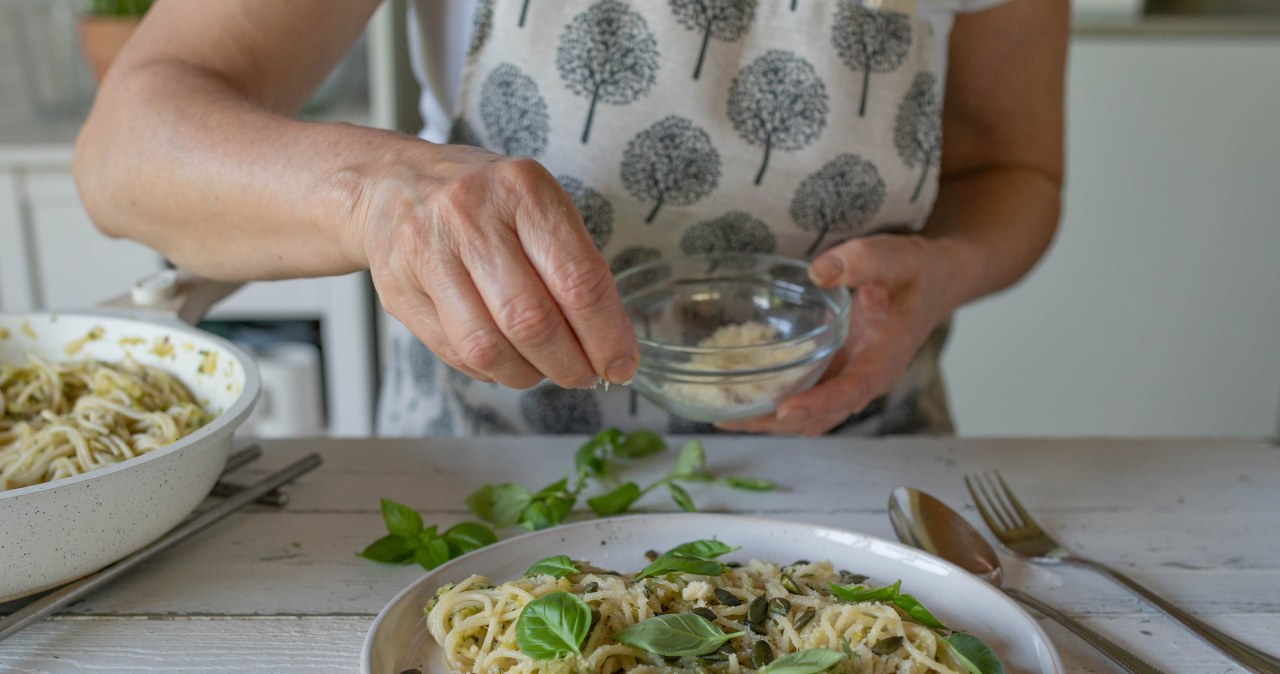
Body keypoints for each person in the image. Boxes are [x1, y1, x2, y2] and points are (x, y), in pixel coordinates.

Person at [73, 0, 1066, 438]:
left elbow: (1011, 168)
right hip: (490, 485)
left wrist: (944, 270)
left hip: (858, 467)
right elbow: (125, 153)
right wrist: (374, 193)